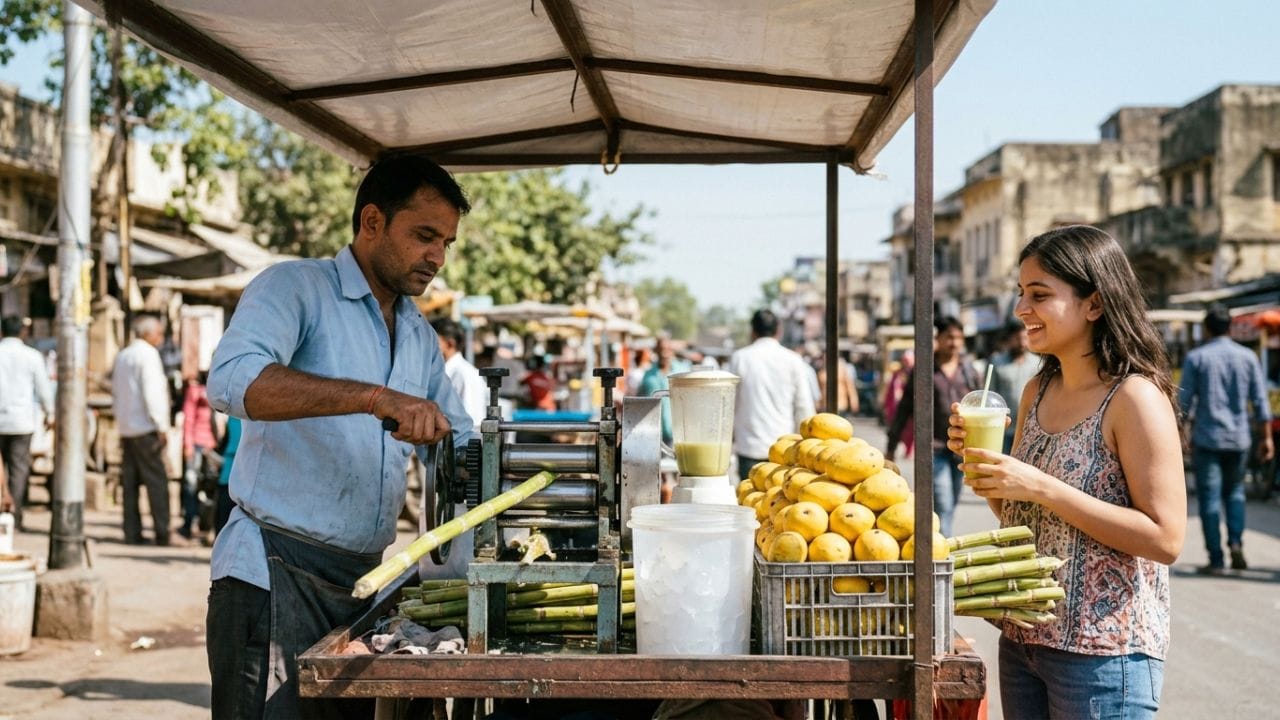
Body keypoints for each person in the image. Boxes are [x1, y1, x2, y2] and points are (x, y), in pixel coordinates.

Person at [204, 155, 475, 718]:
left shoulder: (419, 335)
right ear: (372, 221)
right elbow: (234, 382)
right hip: (274, 573)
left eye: (446, 242)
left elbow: (463, 441)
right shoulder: (295, 287)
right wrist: (374, 397)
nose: (437, 257)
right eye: (424, 235)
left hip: (361, 586)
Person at [947, 225, 1184, 718]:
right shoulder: (1038, 392)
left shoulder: (1134, 398)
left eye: (1039, 295)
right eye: (1020, 293)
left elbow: (1165, 537)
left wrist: (1041, 485)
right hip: (1025, 641)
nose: (1021, 310)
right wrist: (986, 472)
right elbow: (1024, 518)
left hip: (1103, 654)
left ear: (1094, 304)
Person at [1179, 303, 1272, 575]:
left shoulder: (1197, 358)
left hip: (1208, 439)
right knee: (1236, 493)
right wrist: (1267, 438)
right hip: (1239, 439)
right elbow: (1260, 400)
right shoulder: (1248, 358)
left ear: (1207, 329)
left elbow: (1183, 403)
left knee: (1209, 499)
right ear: (1230, 327)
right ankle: (1236, 543)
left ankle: (1216, 559)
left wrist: (1179, 436)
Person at [886, 317, 979, 536]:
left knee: (952, 500)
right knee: (943, 503)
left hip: (961, 448)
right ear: (938, 339)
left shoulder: (969, 371)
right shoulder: (925, 370)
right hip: (934, 447)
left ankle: (940, 543)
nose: (954, 343)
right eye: (949, 337)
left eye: (958, 338)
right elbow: (904, 408)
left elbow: (979, 403)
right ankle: (942, 555)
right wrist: (892, 445)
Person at [726, 310, 816, 480]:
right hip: (784, 449)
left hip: (749, 447)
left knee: (749, 499)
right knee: (779, 503)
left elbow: (729, 405)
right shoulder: (793, 359)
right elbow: (804, 407)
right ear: (779, 331)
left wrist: (727, 442)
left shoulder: (740, 358)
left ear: (752, 331)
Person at [111, 313, 175, 546]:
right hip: (145, 428)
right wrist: (162, 426)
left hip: (128, 428)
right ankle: (163, 532)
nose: (160, 338)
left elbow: (116, 393)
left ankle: (132, 532)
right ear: (148, 334)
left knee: (130, 485)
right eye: (158, 333)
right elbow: (153, 394)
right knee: (156, 483)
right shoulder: (147, 355)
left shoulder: (123, 355)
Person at [0, 316, 54, 531]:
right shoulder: (32, 356)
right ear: (22, 332)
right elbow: (44, 389)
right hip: (21, 422)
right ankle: (15, 516)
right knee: (19, 470)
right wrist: (50, 414)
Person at [990, 322, 1041, 454]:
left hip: (1029, 427)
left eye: (1025, 339)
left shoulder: (1037, 363)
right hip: (1004, 428)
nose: (1022, 343)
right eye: (1018, 339)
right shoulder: (997, 362)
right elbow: (990, 394)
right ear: (1009, 339)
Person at [179, 371, 217, 542]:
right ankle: (188, 524)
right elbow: (188, 419)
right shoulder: (195, 391)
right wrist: (187, 445)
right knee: (191, 486)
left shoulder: (218, 389)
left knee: (210, 488)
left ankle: (206, 526)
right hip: (196, 445)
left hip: (213, 447)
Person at [432, 317, 488, 425]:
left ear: (449, 344)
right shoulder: (441, 371)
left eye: (432, 341)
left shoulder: (465, 374)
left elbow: (472, 422)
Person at [639, 335, 692, 445]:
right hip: (654, 434)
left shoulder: (682, 372)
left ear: (671, 350)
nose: (664, 352)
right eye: (661, 349)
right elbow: (640, 401)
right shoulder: (648, 376)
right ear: (656, 351)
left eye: (667, 349)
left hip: (680, 434)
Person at [882, 350, 915, 458]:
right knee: (896, 428)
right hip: (901, 404)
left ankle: (909, 449)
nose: (907, 362)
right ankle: (891, 451)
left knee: (912, 430)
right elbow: (891, 389)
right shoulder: (898, 373)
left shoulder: (915, 372)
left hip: (914, 404)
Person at [816, 352, 858, 420]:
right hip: (824, 405)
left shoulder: (842, 370)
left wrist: (854, 401)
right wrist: (818, 403)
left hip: (840, 405)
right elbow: (819, 390)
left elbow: (850, 387)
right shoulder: (821, 372)